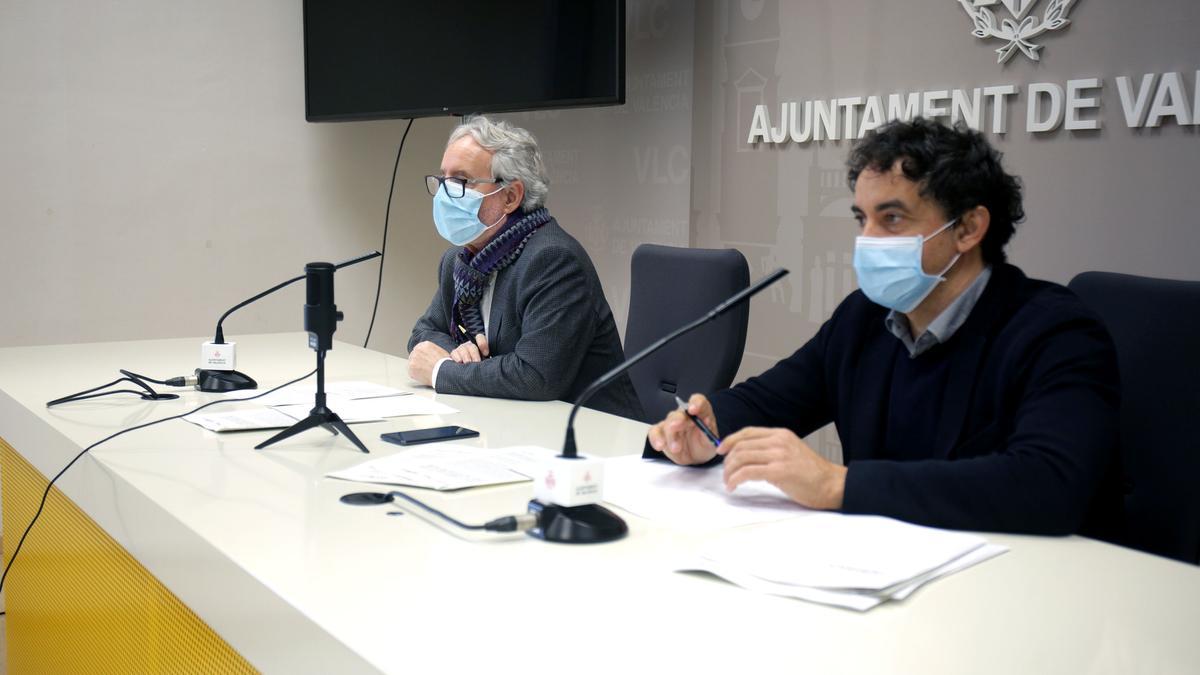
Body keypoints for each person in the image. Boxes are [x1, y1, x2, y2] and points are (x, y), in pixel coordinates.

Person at [647, 118, 1121, 536]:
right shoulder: (864, 319)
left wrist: (837, 484)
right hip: (884, 568)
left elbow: (1049, 485)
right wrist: (706, 429)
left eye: (891, 218)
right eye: (862, 219)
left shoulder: (1055, 331)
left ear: (969, 228)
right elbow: (768, 400)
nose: (867, 240)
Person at [408, 116, 643, 420]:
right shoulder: (460, 260)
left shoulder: (553, 260)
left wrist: (443, 370)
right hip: (513, 426)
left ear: (510, 196)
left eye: (462, 181)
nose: (444, 193)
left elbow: (536, 375)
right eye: (444, 178)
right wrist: (457, 351)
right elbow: (423, 334)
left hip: (592, 440)